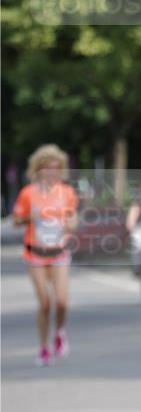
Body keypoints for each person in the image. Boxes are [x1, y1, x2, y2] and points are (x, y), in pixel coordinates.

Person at [12, 144, 79, 366]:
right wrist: (28, 217)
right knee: (45, 303)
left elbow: (73, 219)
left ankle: (59, 332)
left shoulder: (67, 193)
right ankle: (43, 347)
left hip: (59, 252)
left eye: (55, 168)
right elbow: (16, 220)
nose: (50, 172)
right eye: (46, 168)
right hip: (35, 254)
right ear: (37, 169)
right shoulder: (27, 193)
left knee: (61, 302)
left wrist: (70, 223)